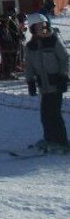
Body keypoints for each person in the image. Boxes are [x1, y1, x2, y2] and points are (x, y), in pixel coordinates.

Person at [24, 13, 69, 154]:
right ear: (32, 30)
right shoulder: (30, 46)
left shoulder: (53, 41)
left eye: (44, 27)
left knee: (54, 113)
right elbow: (29, 66)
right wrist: (30, 81)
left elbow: (65, 59)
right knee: (45, 114)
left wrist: (64, 76)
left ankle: (61, 141)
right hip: (43, 86)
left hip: (56, 83)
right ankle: (49, 139)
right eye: (39, 28)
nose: (43, 30)